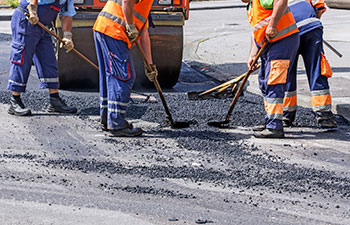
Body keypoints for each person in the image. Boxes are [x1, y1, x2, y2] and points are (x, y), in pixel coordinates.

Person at [93, 0, 158, 137]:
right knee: (123, 76)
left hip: (104, 28)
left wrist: (150, 65)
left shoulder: (147, 5)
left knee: (110, 76)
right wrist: (129, 25)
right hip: (113, 31)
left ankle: (107, 118)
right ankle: (117, 123)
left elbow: (144, 35)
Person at [7, 0, 77, 116]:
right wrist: (33, 11)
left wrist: (67, 36)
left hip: (42, 26)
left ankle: (54, 100)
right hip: (26, 19)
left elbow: (66, 15)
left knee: (48, 59)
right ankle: (15, 100)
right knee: (22, 58)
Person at [242, 0, 300, 138]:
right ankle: (270, 120)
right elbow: (256, 32)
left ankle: (274, 126)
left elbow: (282, 1)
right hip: (270, 44)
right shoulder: (251, 6)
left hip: (282, 40)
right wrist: (252, 55)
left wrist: (273, 24)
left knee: (274, 81)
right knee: (265, 81)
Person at [283, 0, 337, 129]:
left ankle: (286, 115)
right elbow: (319, 7)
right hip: (311, 27)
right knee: (316, 68)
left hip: (287, 31)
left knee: (287, 71)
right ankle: (324, 115)